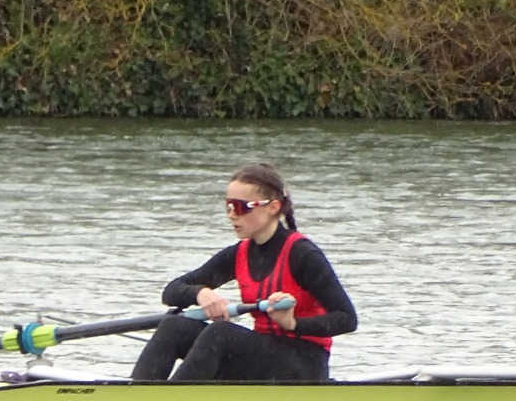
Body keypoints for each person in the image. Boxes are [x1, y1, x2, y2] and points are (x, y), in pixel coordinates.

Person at [130, 163, 357, 381]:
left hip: (304, 364)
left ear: (273, 207)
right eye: (229, 206)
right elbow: (171, 291)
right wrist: (201, 294)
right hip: (263, 357)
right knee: (174, 326)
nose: (232, 215)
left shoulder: (303, 255)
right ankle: (136, 395)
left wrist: (293, 323)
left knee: (221, 333)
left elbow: (347, 319)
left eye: (241, 207)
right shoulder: (239, 254)